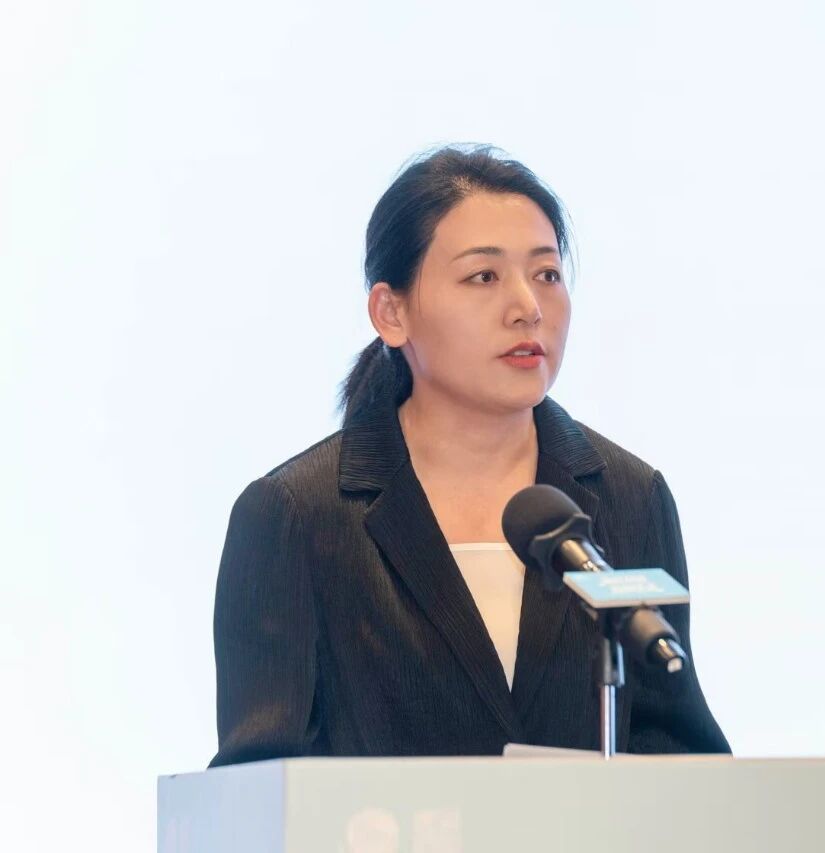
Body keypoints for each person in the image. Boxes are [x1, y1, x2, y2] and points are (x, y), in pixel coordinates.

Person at [210, 145, 730, 765]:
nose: (528, 308)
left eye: (547, 274)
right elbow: (260, 786)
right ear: (391, 312)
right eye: (484, 277)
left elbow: (675, 751)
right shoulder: (298, 515)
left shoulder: (628, 495)